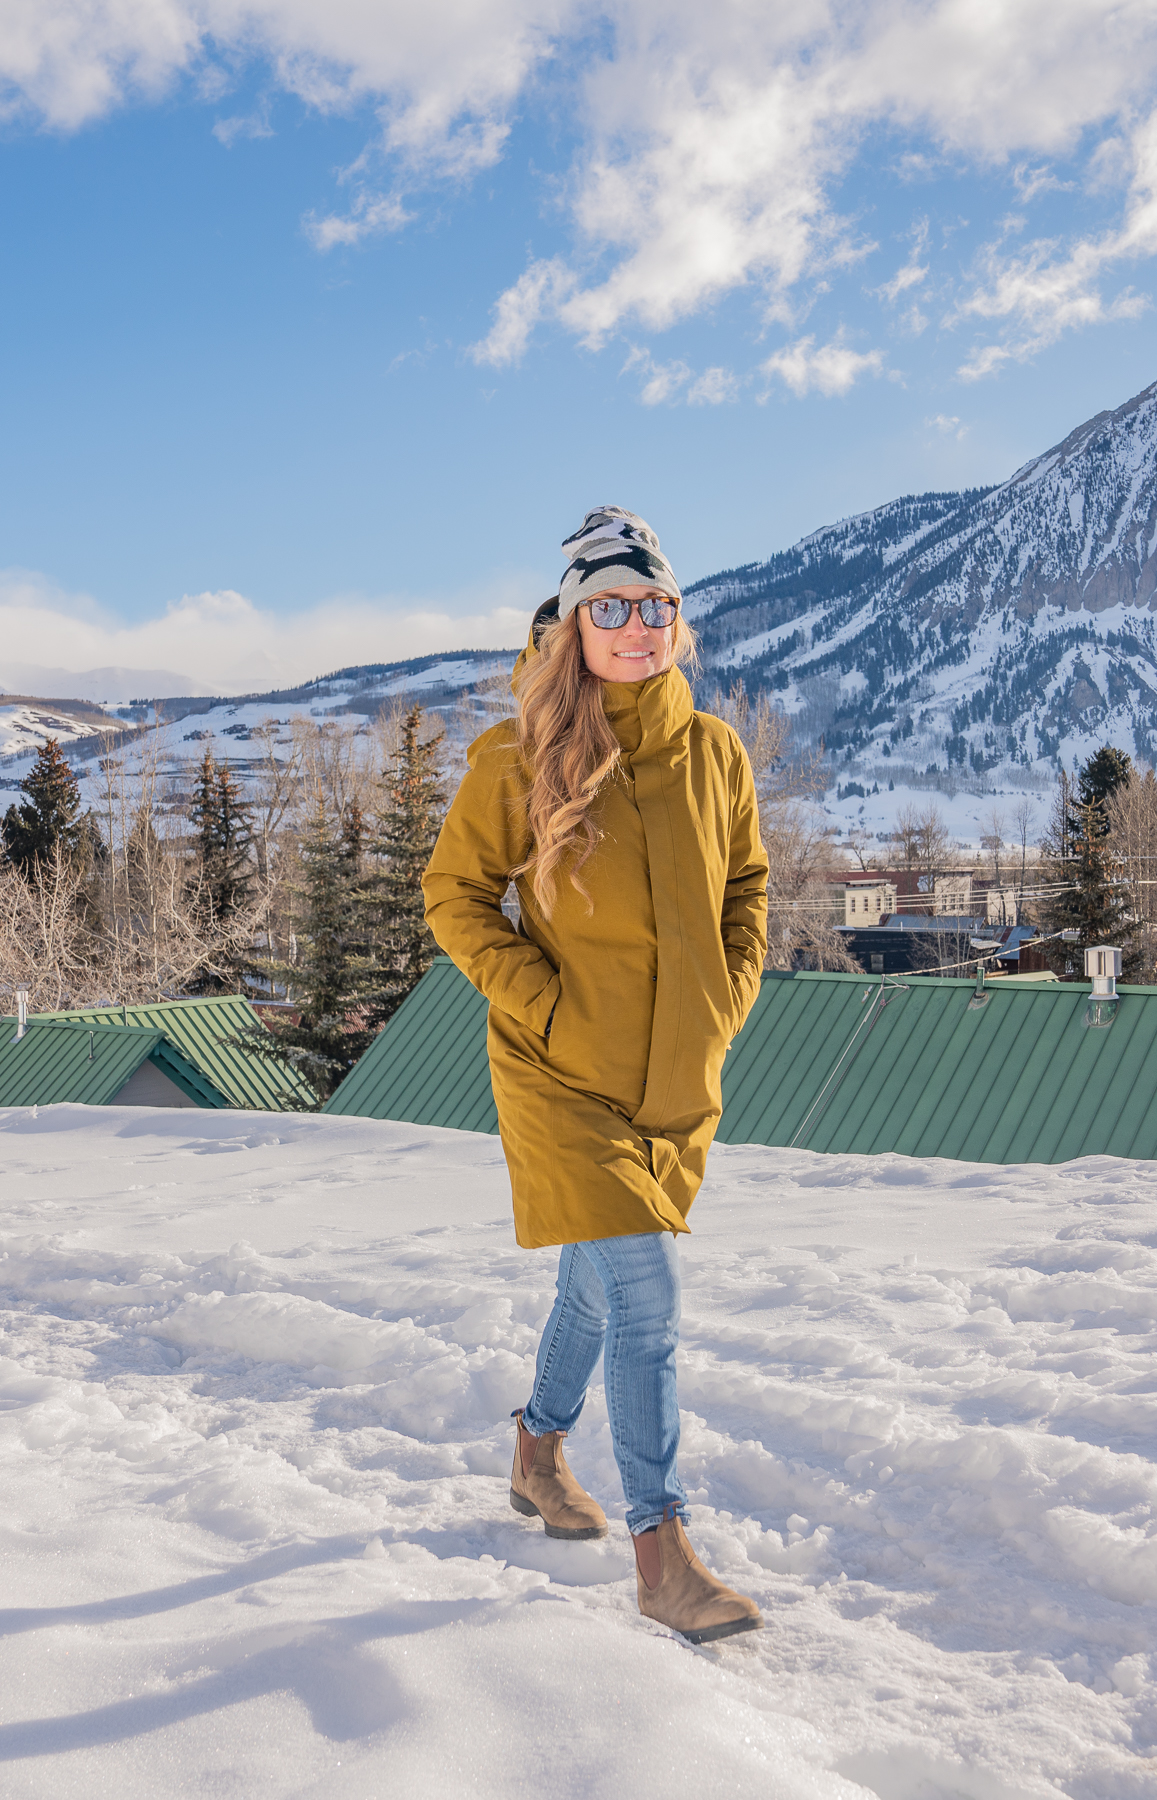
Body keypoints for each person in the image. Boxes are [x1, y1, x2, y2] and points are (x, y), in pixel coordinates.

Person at [423, 505, 771, 1645]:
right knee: (646, 1303)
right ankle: (661, 1552)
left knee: (596, 1278)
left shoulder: (714, 752)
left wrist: (727, 996)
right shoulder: (519, 755)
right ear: (571, 626)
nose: (636, 626)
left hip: (673, 1076)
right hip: (559, 1071)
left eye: (656, 606)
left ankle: (535, 1450)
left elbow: (746, 891)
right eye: (610, 608)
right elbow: (454, 898)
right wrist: (543, 1001)